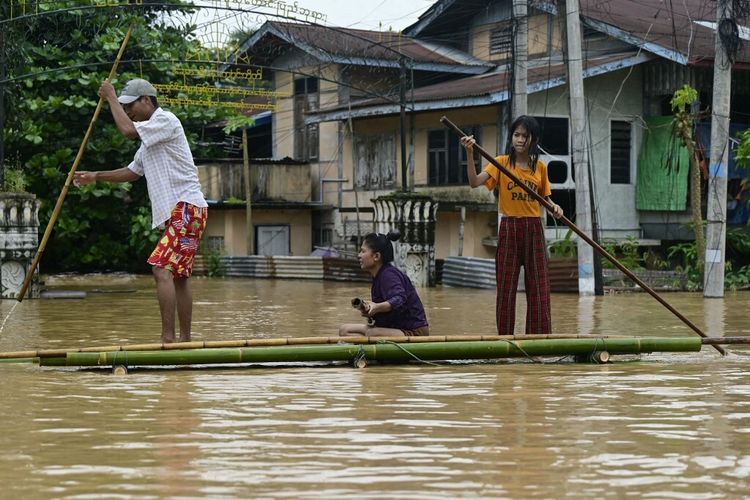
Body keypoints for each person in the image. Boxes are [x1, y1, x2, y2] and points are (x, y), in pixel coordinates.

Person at [74, 78, 208, 344]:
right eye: (124, 106)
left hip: (188, 208)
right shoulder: (149, 140)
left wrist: (111, 97)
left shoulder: (166, 121)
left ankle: (169, 340)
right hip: (183, 212)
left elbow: (127, 131)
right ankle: (184, 342)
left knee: (161, 270)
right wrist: (96, 176)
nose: (128, 112)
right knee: (178, 276)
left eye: (130, 105)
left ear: (147, 100)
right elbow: (132, 172)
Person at [460, 115, 563, 335]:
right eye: (517, 135)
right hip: (509, 227)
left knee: (539, 288)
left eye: (525, 136)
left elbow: (546, 198)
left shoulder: (540, 168)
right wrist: (470, 153)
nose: (520, 140)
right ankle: (505, 344)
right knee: (506, 289)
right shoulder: (500, 163)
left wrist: (556, 207)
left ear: (533, 140)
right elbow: (474, 182)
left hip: (534, 229)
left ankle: (537, 344)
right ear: (512, 137)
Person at [339, 231, 429, 337]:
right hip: (394, 329)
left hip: (413, 332)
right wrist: (370, 310)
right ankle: (362, 352)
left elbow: (399, 299)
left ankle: (365, 351)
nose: (359, 255)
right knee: (344, 330)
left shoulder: (388, 275)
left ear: (376, 256)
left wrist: (377, 307)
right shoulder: (378, 276)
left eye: (363, 251)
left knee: (372, 333)